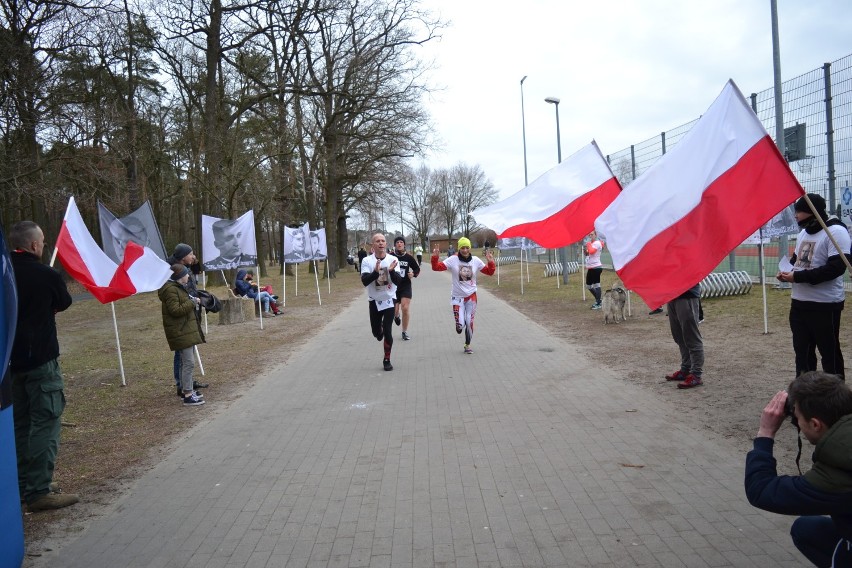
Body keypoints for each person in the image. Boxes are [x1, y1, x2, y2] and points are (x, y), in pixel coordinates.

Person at [745, 371, 852, 567]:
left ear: (815, 424)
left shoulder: (838, 474)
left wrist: (765, 433)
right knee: (807, 529)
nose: (799, 426)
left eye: (798, 418)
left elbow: (760, 490)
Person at [9, 221, 80, 511]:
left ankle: (26, 483)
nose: (44, 246)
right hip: (40, 361)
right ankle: (38, 491)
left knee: (21, 424)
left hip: (11, 365)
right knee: (46, 422)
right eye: (42, 242)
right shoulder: (45, 274)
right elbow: (64, 302)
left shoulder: (5, 273)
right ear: (35, 245)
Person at [777, 193, 851, 381]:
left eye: (800, 212)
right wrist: (786, 274)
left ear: (813, 212)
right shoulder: (803, 233)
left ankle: (835, 400)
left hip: (825, 305)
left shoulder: (835, 232)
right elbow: (796, 262)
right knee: (802, 354)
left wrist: (798, 276)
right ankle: (804, 400)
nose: (796, 216)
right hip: (799, 304)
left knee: (829, 354)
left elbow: (835, 268)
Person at [431, 237, 496, 354]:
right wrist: (435, 257)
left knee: (469, 321)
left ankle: (467, 345)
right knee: (461, 324)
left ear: (470, 248)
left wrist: (491, 262)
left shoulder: (475, 260)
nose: (465, 250)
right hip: (457, 297)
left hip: (471, 296)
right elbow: (436, 267)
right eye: (462, 248)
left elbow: (490, 272)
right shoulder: (453, 260)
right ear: (459, 248)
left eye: (467, 248)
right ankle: (459, 326)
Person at [158, 264, 206, 406]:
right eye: (186, 274)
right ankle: (188, 395)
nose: (188, 276)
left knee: (184, 362)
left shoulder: (177, 288)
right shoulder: (171, 290)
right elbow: (175, 310)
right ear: (179, 277)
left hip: (185, 330)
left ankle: (185, 390)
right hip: (181, 331)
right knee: (188, 363)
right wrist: (192, 302)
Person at [166, 244, 208, 396]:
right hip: (181, 319)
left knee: (187, 354)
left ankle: (187, 382)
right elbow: (175, 301)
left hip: (189, 313)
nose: (193, 256)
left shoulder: (184, 268)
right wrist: (191, 302)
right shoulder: (174, 272)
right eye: (190, 254)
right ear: (183, 256)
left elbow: (188, 289)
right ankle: (182, 384)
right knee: (182, 353)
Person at [361, 231, 402, 371]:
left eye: (383, 241)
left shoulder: (392, 259)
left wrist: (391, 272)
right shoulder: (367, 261)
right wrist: (375, 272)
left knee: (388, 331)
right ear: (373, 245)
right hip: (374, 301)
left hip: (389, 300)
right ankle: (379, 331)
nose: (380, 243)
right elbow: (365, 282)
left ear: (386, 244)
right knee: (377, 334)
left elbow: (398, 281)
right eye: (377, 241)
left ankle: (387, 359)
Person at [664, 283, 704, 389]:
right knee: (679, 336)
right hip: (672, 294)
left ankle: (696, 375)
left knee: (691, 337)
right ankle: (685, 369)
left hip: (687, 294)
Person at [391, 236, 420, 340]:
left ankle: (404, 331)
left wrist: (413, 274)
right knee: (395, 310)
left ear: (404, 244)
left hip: (405, 285)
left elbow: (417, 268)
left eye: (401, 242)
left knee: (405, 307)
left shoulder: (408, 257)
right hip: (393, 287)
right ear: (395, 245)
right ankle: (396, 315)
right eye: (397, 242)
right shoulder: (390, 256)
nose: (399, 244)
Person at [585, 232, 604, 309]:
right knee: (588, 285)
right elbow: (588, 253)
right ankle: (599, 300)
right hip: (591, 267)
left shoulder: (597, 243)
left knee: (596, 285)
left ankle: (598, 303)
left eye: (592, 234)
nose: (590, 236)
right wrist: (586, 251)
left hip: (596, 267)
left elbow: (592, 251)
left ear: (596, 235)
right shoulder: (592, 243)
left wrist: (588, 245)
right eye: (589, 235)